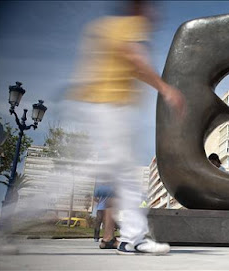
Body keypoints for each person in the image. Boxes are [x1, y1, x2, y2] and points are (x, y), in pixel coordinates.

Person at [66, 0, 185, 255]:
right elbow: (134, 59)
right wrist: (165, 89)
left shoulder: (105, 27)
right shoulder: (129, 26)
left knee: (126, 178)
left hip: (109, 108)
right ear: (137, 6)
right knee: (94, 176)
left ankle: (133, 238)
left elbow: (129, 66)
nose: (155, 13)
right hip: (111, 109)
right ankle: (133, 239)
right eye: (150, 7)